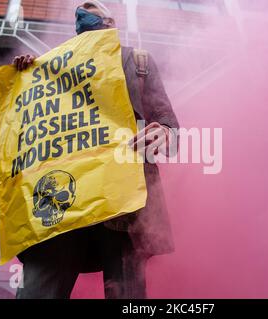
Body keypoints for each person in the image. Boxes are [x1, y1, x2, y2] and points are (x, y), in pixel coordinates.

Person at [12, 1, 179, 299]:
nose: (83, 10)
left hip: (123, 204)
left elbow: (170, 126)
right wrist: (25, 79)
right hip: (61, 203)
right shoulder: (52, 67)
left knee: (126, 294)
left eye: (92, 7)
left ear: (112, 22)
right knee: (36, 290)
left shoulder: (138, 62)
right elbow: (25, 132)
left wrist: (164, 133)